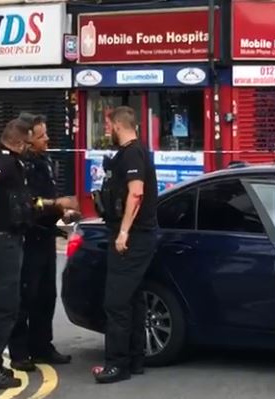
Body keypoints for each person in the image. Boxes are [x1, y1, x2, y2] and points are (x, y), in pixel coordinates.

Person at [0, 118, 70, 389]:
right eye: (33, 137)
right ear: (21, 141)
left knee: (6, 304)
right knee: (5, 306)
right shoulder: (6, 161)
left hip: (6, 239)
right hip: (2, 241)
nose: (37, 141)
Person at [8, 113, 79, 371]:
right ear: (28, 139)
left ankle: (42, 346)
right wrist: (55, 205)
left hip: (47, 236)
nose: (47, 139)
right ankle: (19, 352)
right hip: (28, 237)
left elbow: (49, 198)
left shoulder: (46, 161)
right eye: (42, 136)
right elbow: (28, 203)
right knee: (25, 296)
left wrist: (64, 214)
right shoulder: (20, 166)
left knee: (46, 296)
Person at [93, 106, 159, 384]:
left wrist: (123, 233)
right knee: (132, 299)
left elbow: (136, 193)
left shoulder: (131, 153)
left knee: (116, 302)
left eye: (108, 126)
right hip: (140, 235)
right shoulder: (136, 152)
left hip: (133, 237)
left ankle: (116, 365)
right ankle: (134, 360)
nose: (107, 131)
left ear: (118, 125)